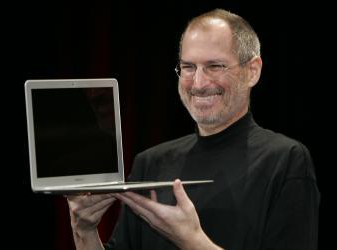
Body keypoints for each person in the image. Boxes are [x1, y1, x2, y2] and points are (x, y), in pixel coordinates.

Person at [67, 9, 320, 250]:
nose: (198, 83)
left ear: (252, 71)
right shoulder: (151, 163)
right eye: (188, 67)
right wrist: (84, 231)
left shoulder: (285, 160)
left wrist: (192, 241)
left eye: (215, 66)